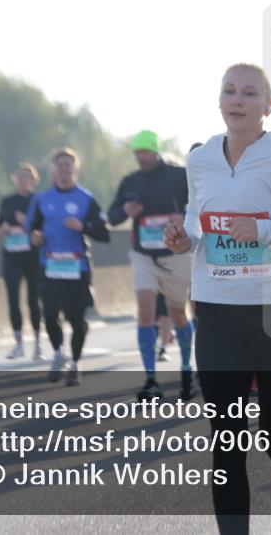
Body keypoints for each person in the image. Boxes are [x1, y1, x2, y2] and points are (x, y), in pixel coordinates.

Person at [163, 62, 271, 534]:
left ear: (268, 107)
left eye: (249, 94)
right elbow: (198, 221)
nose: (237, 100)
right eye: (229, 91)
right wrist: (184, 239)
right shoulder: (200, 160)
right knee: (227, 440)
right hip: (218, 316)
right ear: (220, 100)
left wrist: (265, 231)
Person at [108, 129, 194, 400]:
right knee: (145, 310)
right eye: (137, 153)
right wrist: (125, 211)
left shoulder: (178, 175)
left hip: (176, 254)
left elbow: (201, 205)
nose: (141, 157)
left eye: (145, 152)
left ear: (155, 151)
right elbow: (111, 216)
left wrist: (182, 216)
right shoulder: (130, 182)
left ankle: (186, 370)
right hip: (144, 254)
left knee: (178, 314)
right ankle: (150, 380)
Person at [27, 147, 110, 387]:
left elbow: (103, 234)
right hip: (50, 266)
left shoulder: (87, 199)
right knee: (50, 314)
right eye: (59, 165)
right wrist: (35, 238)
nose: (64, 170)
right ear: (52, 171)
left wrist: (81, 226)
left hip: (77, 268)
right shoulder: (42, 200)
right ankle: (58, 353)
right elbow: (32, 230)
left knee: (77, 319)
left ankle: (75, 363)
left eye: (68, 165)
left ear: (76, 169)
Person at [0, 163, 44, 361]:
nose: (22, 180)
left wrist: (27, 223)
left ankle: (37, 343)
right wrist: (4, 228)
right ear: (14, 179)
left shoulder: (38, 201)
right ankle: (18, 344)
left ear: (33, 180)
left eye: (26, 176)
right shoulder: (7, 201)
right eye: (19, 176)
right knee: (13, 298)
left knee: (33, 301)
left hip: (32, 256)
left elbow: (44, 227)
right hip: (12, 255)